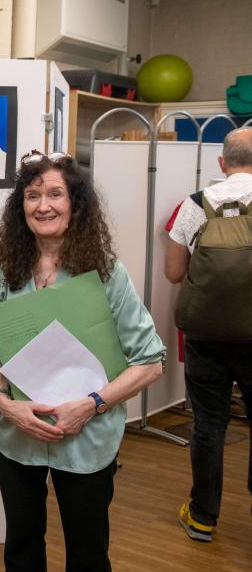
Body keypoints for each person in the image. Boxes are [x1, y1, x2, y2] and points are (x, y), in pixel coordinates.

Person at [0, 151, 165, 572]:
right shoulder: (5, 273)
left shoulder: (106, 274)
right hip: (18, 436)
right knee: (21, 548)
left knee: (87, 553)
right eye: (32, 195)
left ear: (75, 204)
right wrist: (5, 403)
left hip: (88, 439)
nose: (43, 205)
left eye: (55, 194)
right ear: (20, 207)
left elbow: (151, 362)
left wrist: (92, 403)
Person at [164, 127, 252, 542]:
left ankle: (202, 516)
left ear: (222, 163)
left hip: (205, 335)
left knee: (208, 424)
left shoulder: (195, 205)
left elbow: (174, 273)